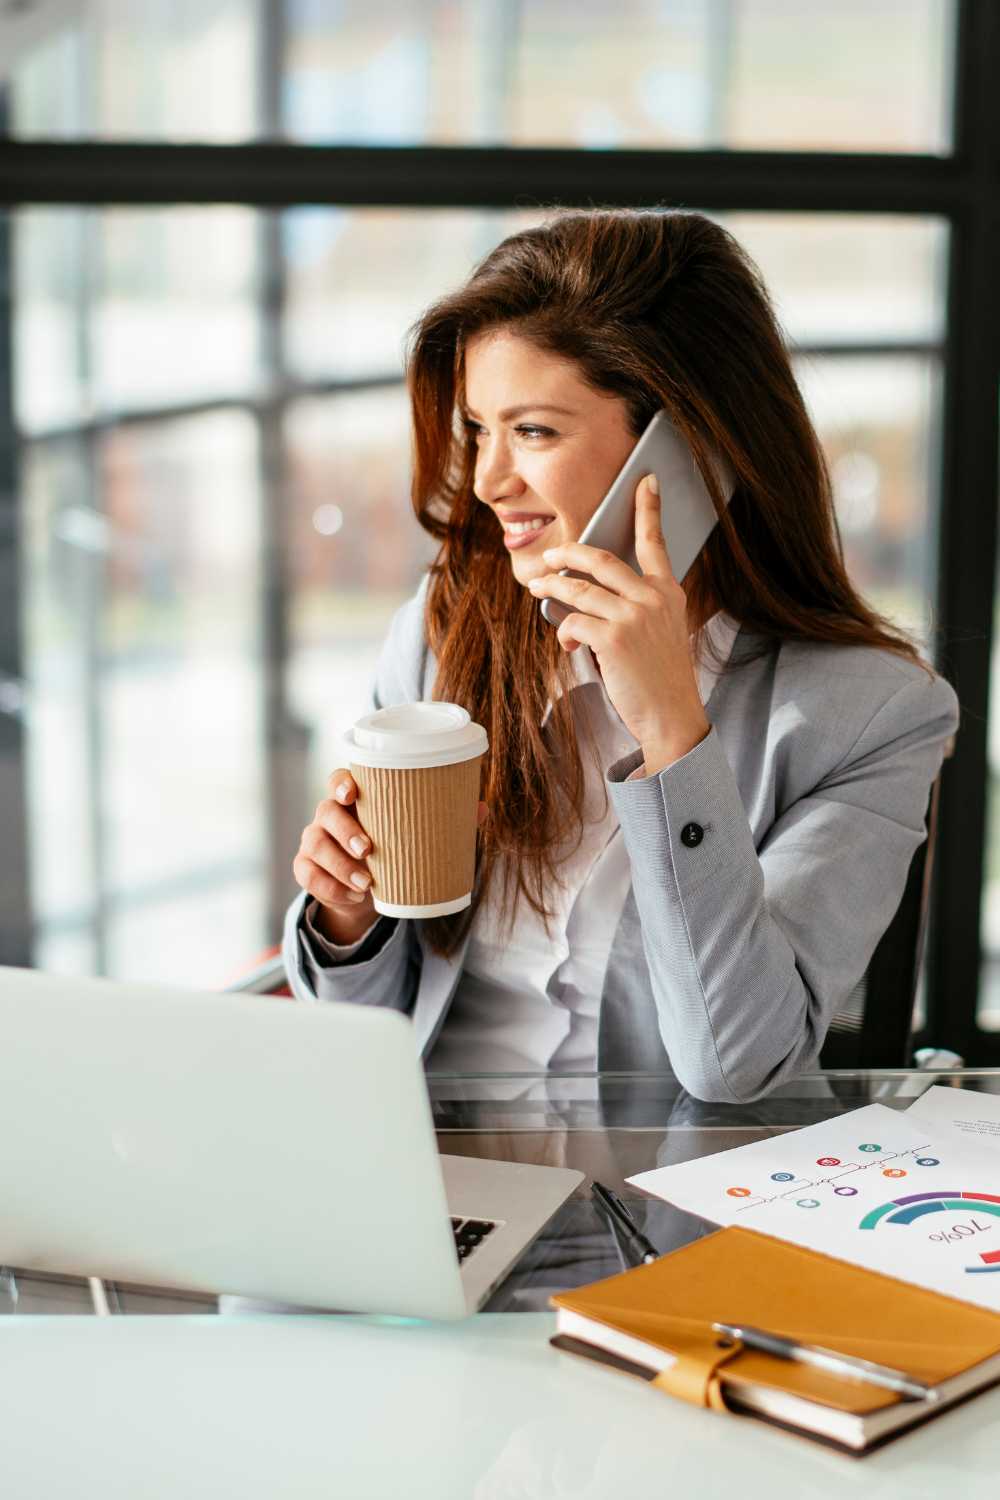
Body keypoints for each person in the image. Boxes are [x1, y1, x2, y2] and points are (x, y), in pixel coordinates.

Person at [283, 208, 959, 1104]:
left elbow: (736, 1065)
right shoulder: (443, 635)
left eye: (534, 432)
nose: (487, 480)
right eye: (479, 428)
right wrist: (347, 919)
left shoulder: (872, 716)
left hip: (670, 1207)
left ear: (686, 448)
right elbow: (360, 1034)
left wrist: (673, 734)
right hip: (437, 1180)